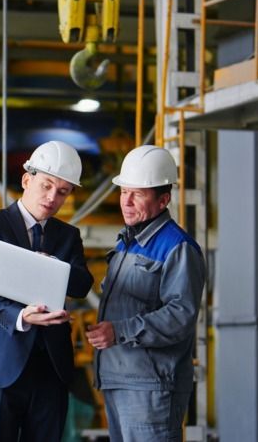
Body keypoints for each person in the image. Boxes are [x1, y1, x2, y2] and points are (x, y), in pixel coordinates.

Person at [0, 140, 94, 442]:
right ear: (26, 180)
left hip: (50, 367)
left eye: (63, 191)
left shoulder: (68, 236)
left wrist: (53, 265)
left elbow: (83, 284)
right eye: (46, 186)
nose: (52, 197)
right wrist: (20, 316)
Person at [86, 145, 206, 442]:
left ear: (163, 200)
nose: (126, 202)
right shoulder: (125, 244)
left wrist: (119, 331)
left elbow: (180, 316)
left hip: (151, 387)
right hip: (119, 379)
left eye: (137, 194)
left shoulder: (177, 247)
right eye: (123, 192)